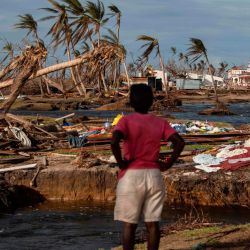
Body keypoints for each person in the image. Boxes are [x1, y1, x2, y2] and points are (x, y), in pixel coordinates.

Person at [111, 84, 185, 250]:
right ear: (151, 102)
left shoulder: (125, 121)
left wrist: (121, 163)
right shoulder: (160, 122)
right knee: (153, 224)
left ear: (131, 101)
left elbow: (115, 141)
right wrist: (168, 163)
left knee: (129, 224)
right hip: (153, 174)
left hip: (131, 175)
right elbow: (179, 142)